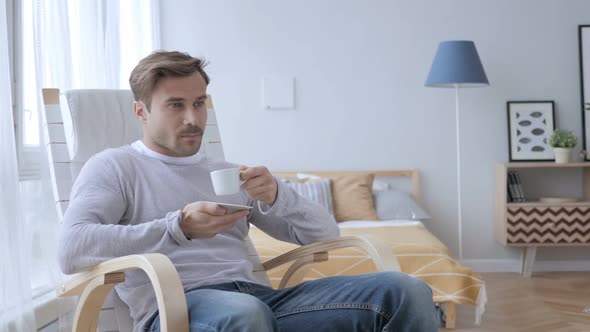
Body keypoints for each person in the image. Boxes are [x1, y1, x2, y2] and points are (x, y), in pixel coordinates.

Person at [58, 50, 438, 332]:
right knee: (244, 313)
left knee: (406, 290)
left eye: (198, 104)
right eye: (175, 105)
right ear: (141, 112)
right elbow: (72, 248)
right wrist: (178, 227)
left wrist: (277, 194)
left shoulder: (229, 174)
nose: (193, 119)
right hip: (178, 309)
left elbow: (326, 235)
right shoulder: (115, 166)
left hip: (262, 301)